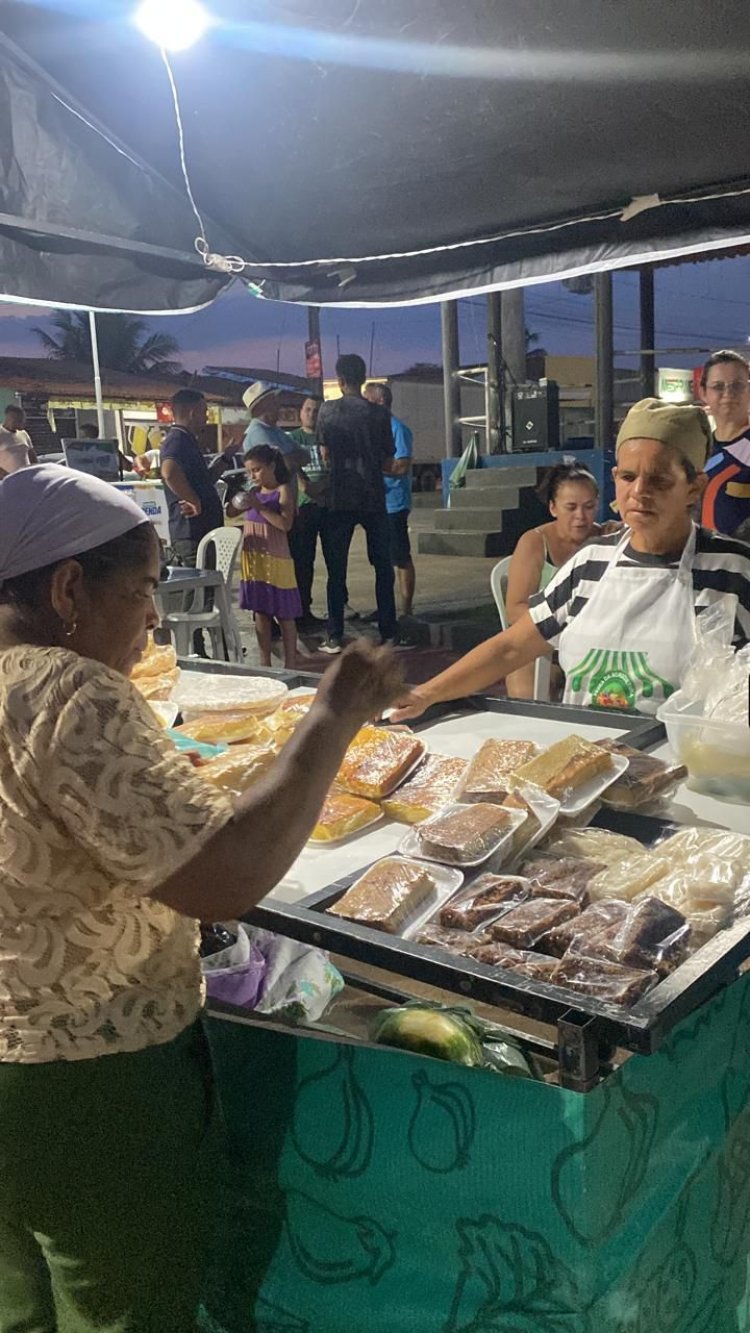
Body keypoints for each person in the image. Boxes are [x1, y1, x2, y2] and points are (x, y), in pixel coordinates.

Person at [0, 462, 401, 1330]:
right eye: (143, 589)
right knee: (126, 1302)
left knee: (19, 1303)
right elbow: (223, 875)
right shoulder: (67, 690)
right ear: (68, 586)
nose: (153, 614)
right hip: (86, 1087)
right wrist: (332, 715)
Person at [392, 399, 750, 722]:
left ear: (694, 487)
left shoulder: (733, 571)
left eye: (659, 479)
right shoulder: (589, 565)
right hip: (584, 756)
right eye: (628, 477)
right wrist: (427, 693)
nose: (639, 492)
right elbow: (512, 646)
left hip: (683, 768)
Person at [316, 353, 398, 654]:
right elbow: (388, 457)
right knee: (382, 567)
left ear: (339, 380)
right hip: (373, 495)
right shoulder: (379, 414)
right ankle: (389, 631)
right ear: (363, 378)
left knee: (336, 569)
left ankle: (335, 634)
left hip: (339, 494)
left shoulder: (327, 411)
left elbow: (324, 453)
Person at [504, 464, 604, 699]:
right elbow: (514, 609)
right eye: (571, 507)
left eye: (589, 507)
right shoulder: (534, 543)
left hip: (595, 647)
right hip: (543, 646)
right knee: (524, 687)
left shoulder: (606, 539)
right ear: (553, 508)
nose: (580, 516)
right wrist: (564, 631)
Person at [233, 444, 302, 668]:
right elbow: (232, 511)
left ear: (272, 466)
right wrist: (236, 500)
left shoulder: (283, 490)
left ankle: (291, 663)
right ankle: (265, 663)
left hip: (276, 557)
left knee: (284, 613)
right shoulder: (252, 492)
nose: (253, 475)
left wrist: (259, 506)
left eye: (257, 470)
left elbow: (285, 524)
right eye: (250, 471)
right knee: (260, 612)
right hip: (255, 558)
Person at [365, 382, 416, 617]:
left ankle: (406, 609)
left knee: (400, 557)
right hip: (375, 505)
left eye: (367, 400)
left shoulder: (397, 429)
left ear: (380, 402)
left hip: (394, 504)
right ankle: (385, 607)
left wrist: (374, 466)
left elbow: (401, 466)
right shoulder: (373, 431)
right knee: (381, 560)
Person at [159, 388, 224, 565]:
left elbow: (203, 481)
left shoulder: (188, 440)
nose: (206, 417)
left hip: (202, 532)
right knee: (196, 591)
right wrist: (193, 499)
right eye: (204, 412)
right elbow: (169, 471)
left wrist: (225, 459)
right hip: (191, 534)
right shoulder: (178, 440)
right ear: (192, 413)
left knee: (207, 589)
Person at [286, 395, 331, 631]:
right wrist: (310, 488)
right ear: (300, 412)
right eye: (308, 410)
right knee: (303, 562)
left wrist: (322, 488)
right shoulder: (291, 440)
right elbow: (295, 474)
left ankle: (337, 608)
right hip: (303, 509)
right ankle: (301, 611)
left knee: (334, 561)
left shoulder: (329, 438)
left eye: (316, 411)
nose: (312, 414)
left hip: (329, 507)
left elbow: (336, 470)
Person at [699, 349, 750, 537]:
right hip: (695, 561)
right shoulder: (696, 450)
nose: (728, 393)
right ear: (703, 392)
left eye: (737, 386)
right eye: (718, 386)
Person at [242, 382, 310, 503]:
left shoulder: (275, 430)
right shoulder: (258, 433)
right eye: (273, 402)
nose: (279, 405)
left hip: (285, 505)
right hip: (271, 507)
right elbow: (285, 464)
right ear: (261, 407)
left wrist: (292, 458)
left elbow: (306, 456)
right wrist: (293, 457)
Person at [0, 405, 37, 476]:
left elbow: (32, 456)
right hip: (6, 481)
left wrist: (36, 471)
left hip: (26, 478)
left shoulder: (24, 434)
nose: (22, 423)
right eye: (19, 420)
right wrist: (7, 477)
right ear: (10, 418)